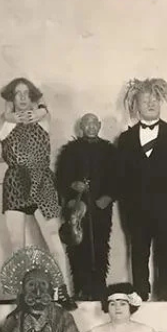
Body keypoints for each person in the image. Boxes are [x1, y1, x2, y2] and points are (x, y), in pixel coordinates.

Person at [0, 77, 72, 292]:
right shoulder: (5, 122)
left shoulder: (42, 116)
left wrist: (40, 108)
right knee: (17, 244)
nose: (22, 98)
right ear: (11, 98)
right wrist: (7, 114)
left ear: (32, 96)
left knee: (53, 240)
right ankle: (19, 294)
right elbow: (2, 138)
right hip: (16, 183)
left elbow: (39, 112)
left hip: (42, 181)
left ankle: (63, 291)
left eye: (26, 93)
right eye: (17, 94)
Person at [115, 78, 167, 301]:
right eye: (145, 99)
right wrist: (127, 207)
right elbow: (121, 177)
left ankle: (164, 291)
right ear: (136, 105)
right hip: (135, 208)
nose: (150, 103)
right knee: (138, 250)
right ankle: (140, 291)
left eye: (155, 99)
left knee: (166, 249)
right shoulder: (126, 138)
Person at [54, 113, 120, 300]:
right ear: (81, 126)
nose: (91, 126)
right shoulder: (70, 150)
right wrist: (72, 185)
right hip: (77, 206)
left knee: (100, 245)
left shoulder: (109, 150)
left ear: (99, 125)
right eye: (87, 123)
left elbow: (118, 177)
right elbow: (61, 178)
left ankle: (99, 286)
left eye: (94, 123)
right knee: (77, 246)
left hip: (101, 207)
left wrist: (108, 196)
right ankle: (81, 288)